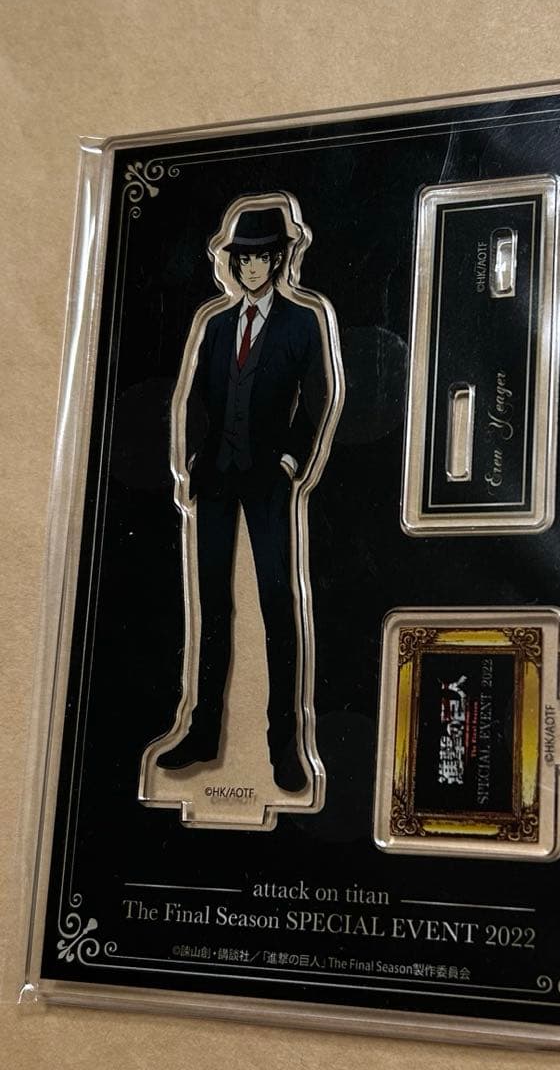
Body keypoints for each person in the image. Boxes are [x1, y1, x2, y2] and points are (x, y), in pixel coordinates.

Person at [156, 207, 326, 792]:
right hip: (216, 479)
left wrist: (291, 460)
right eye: (243, 258)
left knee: (278, 605)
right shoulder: (218, 325)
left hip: (268, 481)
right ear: (232, 264)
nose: (251, 267)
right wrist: (191, 460)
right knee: (212, 606)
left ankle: (286, 746)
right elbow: (195, 396)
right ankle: (203, 732)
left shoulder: (301, 322)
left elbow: (319, 397)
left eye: (261, 257)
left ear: (279, 260)